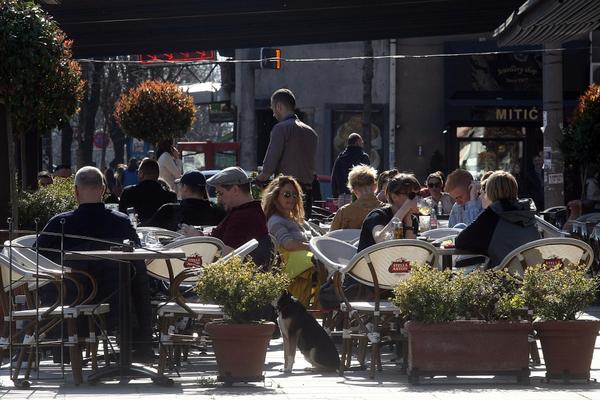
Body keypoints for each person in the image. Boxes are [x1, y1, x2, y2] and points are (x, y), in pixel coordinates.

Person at [36, 166, 154, 360]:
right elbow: (137, 253)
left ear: (75, 191)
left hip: (71, 298)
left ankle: (66, 348)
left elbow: (37, 257)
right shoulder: (121, 222)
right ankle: (138, 345)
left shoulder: (60, 223)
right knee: (137, 272)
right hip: (116, 301)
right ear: (104, 189)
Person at [455, 171, 541, 267]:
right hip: (530, 276)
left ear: (490, 192)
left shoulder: (492, 215)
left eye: (485, 191)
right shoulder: (528, 211)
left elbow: (461, 242)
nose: (482, 195)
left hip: (503, 277)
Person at [256, 88, 318, 218]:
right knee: (303, 230)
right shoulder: (311, 132)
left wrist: (257, 180)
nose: (273, 113)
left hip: (286, 194)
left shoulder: (280, 129)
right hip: (306, 192)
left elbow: (269, 166)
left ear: (279, 106)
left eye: (273, 108)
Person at [202, 166, 271, 265]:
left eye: (220, 193)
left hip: (229, 276)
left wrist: (198, 241)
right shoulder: (252, 210)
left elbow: (224, 259)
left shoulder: (242, 217)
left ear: (235, 190)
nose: (219, 199)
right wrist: (201, 235)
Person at [262, 175, 314, 306]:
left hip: (306, 266)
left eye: (295, 195)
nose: (292, 198)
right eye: (287, 194)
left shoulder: (296, 220)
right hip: (295, 270)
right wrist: (315, 248)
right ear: (275, 197)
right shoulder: (275, 221)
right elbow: (288, 244)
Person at [145, 170, 226, 231]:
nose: (179, 189)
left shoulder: (168, 211)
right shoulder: (219, 213)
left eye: (180, 185)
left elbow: (145, 229)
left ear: (185, 187)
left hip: (175, 252)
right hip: (208, 252)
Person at [357, 173, 420, 252]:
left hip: (395, 262)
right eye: (412, 195)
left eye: (418, 194)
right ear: (394, 197)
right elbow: (380, 241)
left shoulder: (412, 219)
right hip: (369, 263)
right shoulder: (377, 215)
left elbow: (408, 251)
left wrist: (408, 222)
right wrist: (405, 208)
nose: (416, 199)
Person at [119, 158, 177, 224]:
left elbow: (121, 218)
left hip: (136, 233)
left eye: (138, 172)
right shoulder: (171, 196)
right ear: (158, 175)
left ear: (141, 174)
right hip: (163, 233)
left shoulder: (128, 193)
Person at [330, 165, 383, 230]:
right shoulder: (387, 210)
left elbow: (330, 237)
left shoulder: (344, 212)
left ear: (354, 190)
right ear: (375, 186)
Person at [331, 133, 370, 208]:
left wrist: (335, 195)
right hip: (359, 195)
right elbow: (367, 177)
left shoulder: (340, 158)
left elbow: (334, 177)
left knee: (343, 219)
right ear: (357, 142)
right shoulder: (363, 157)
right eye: (361, 141)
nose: (362, 143)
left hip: (343, 197)